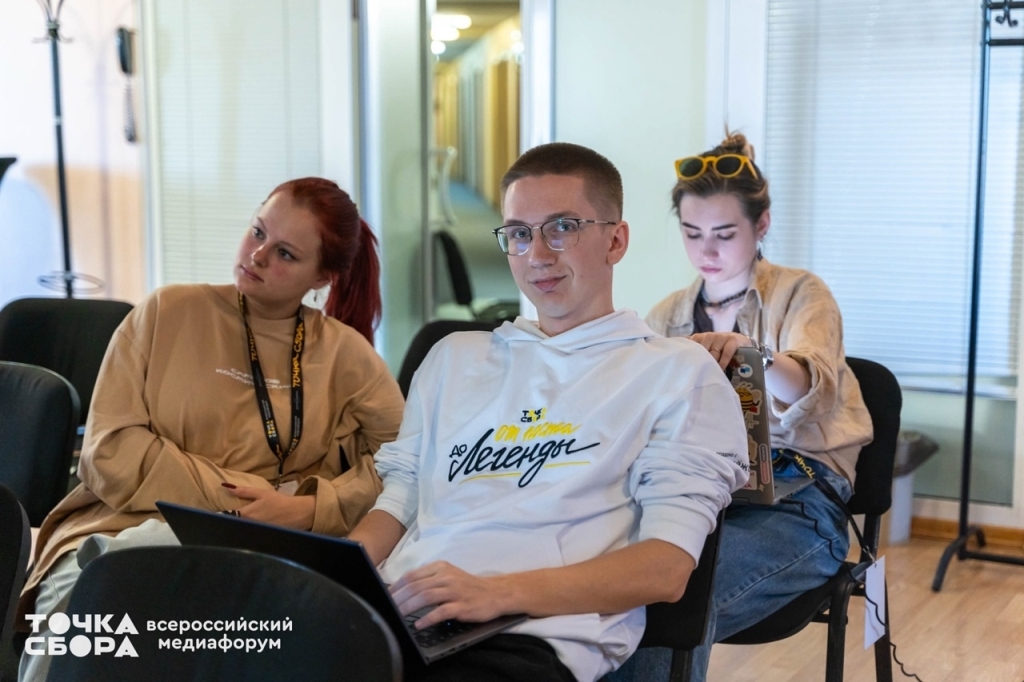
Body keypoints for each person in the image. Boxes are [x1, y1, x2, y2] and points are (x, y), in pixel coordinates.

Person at [347, 142, 750, 682]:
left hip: (525, 638)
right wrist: (329, 580)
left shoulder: (678, 373)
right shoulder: (453, 358)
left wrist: (496, 592)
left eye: (562, 227)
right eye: (519, 233)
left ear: (616, 240)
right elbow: (400, 501)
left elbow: (666, 568)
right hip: (399, 617)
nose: (537, 254)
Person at [18, 177, 405, 681]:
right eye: (258, 232)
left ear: (321, 277)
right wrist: (246, 504)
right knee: (92, 605)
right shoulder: (166, 313)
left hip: (265, 550)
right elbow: (109, 451)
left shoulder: (345, 355)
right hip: (122, 526)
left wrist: (310, 509)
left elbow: (405, 467)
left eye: (285, 253)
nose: (257, 255)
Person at [609, 133, 874, 682]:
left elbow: (813, 388)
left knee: (671, 598)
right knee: (610, 584)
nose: (706, 251)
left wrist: (756, 356)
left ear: (762, 225)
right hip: (701, 493)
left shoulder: (801, 294)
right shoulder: (667, 317)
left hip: (800, 501)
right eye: (692, 233)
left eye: (724, 234)